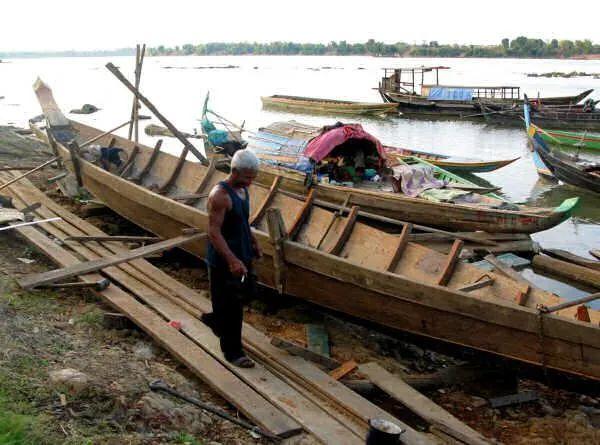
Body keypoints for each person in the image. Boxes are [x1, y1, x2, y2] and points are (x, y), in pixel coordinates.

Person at [202, 149, 262, 368]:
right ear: (234, 171)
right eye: (247, 177)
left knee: (244, 296)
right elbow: (214, 232)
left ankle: (215, 320)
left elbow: (242, 221)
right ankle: (233, 353)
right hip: (223, 259)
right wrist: (231, 260)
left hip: (242, 253)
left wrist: (253, 241)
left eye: (253, 177)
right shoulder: (219, 195)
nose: (250, 182)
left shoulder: (244, 191)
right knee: (231, 306)